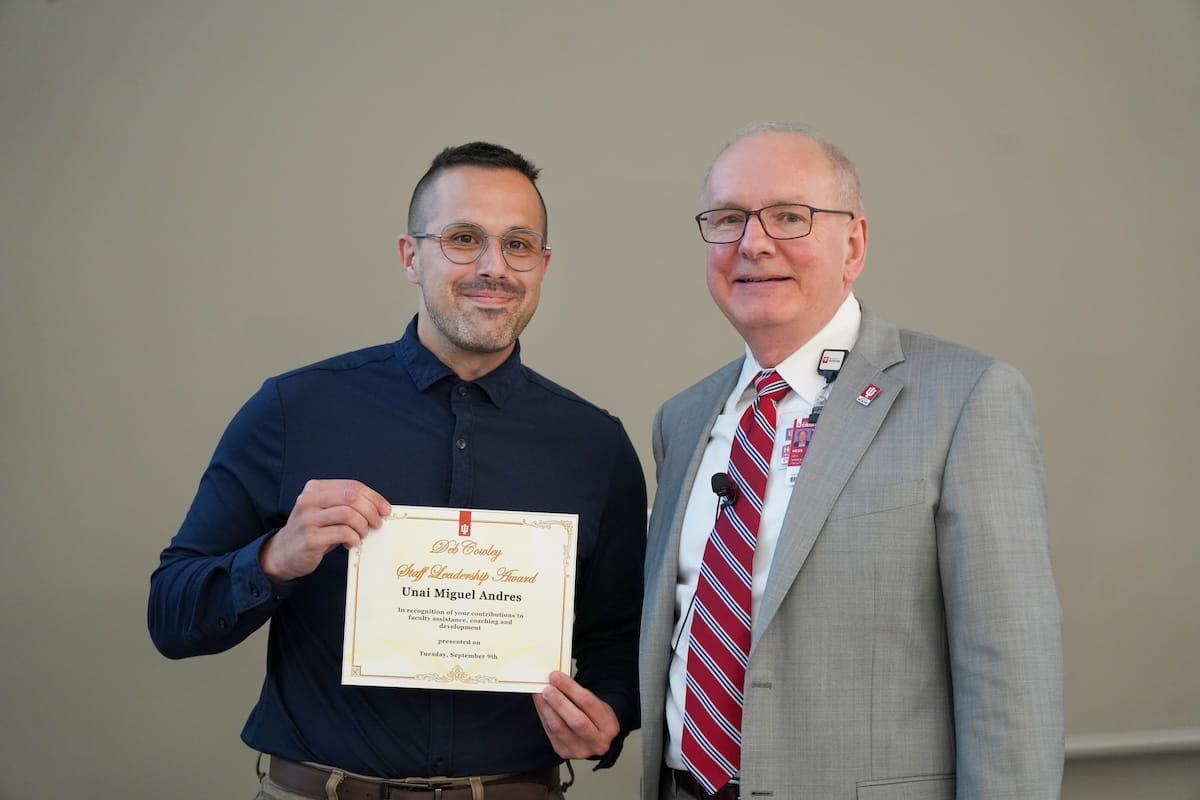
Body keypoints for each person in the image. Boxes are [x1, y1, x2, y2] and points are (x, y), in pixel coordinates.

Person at [149, 141, 647, 800]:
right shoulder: (294, 411)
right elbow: (172, 616)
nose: (494, 266)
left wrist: (610, 712)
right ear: (411, 256)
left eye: (518, 245)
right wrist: (275, 558)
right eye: (464, 239)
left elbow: (620, 636)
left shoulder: (595, 446)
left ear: (543, 265)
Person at [639, 123, 1063, 800]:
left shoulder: (966, 398)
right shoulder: (682, 420)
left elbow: (1011, 671)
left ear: (854, 245)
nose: (753, 242)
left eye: (789, 217)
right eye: (728, 218)